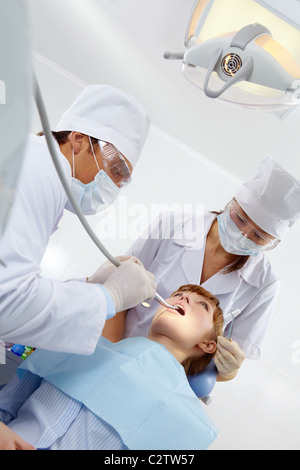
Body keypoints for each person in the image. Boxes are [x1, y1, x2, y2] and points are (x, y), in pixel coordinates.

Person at [104, 156, 300, 382]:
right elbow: (118, 295)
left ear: (273, 242)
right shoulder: (173, 224)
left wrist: (229, 370)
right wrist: (112, 357)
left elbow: (225, 359)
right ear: (232, 203)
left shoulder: (265, 282)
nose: (243, 233)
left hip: (168, 381)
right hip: (116, 346)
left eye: (258, 236)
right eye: (240, 218)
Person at [0, 84, 157, 354]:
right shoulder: (41, 171)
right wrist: (109, 297)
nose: (115, 185)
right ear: (79, 139)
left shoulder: (35, 162)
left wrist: (89, 285)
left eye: (123, 179)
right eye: (116, 169)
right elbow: (8, 300)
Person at [0, 285, 224, 450]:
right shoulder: (79, 344)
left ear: (207, 344)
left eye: (202, 305)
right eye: (178, 294)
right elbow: (5, 407)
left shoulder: (189, 424)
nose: (183, 297)